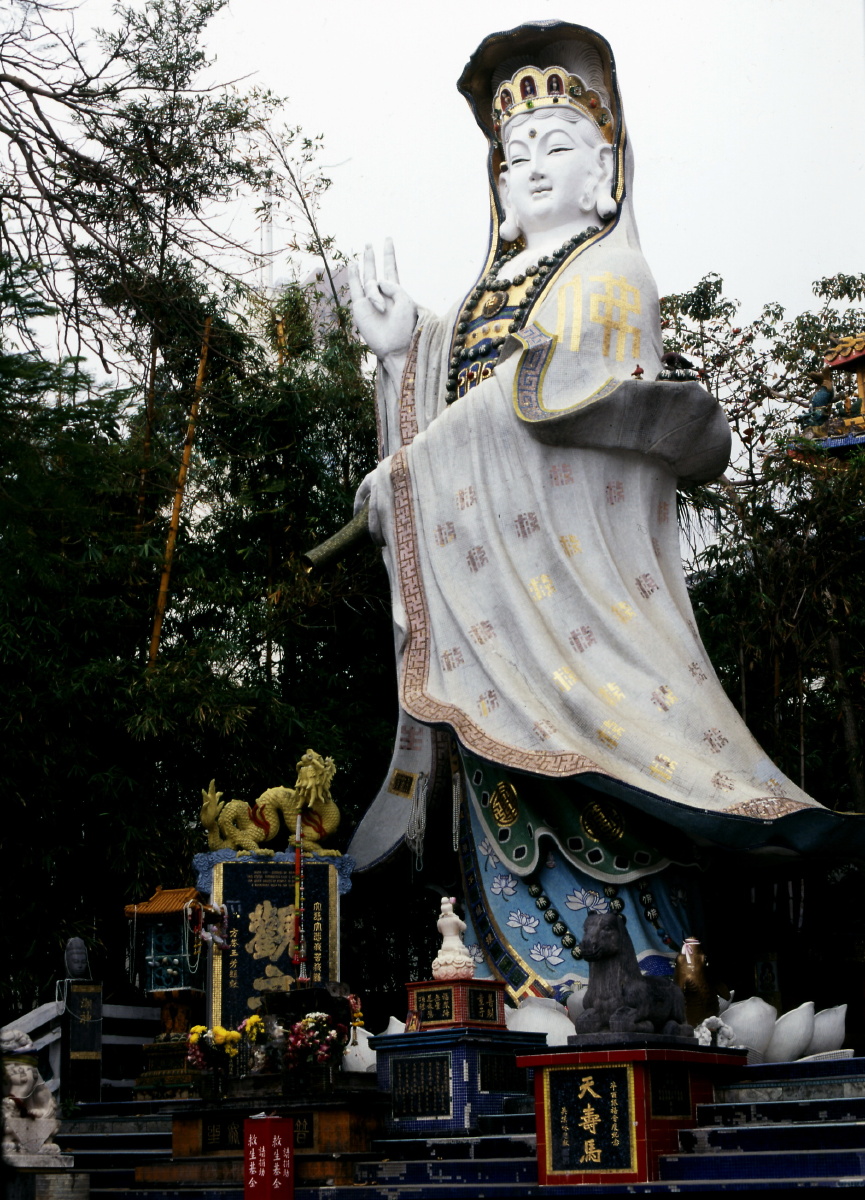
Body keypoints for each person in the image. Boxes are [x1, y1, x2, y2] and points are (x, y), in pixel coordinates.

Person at [346, 21, 862, 1000]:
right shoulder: (472, 305)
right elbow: (455, 394)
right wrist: (397, 353)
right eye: (515, 155)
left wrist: (411, 467)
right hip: (497, 626)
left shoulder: (609, 276)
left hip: (583, 617)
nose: (532, 167)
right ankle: (524, 990)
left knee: (610, 789)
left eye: (557, 147)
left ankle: (653, 987)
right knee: (507, 792)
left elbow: (542, 399)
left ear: (605, 173)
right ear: (496, 186)